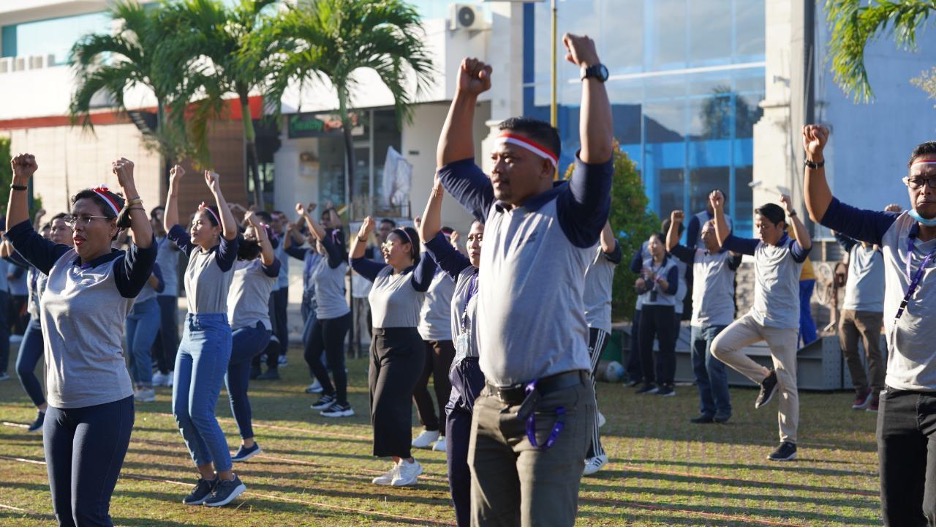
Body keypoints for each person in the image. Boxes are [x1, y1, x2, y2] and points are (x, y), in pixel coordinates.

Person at [437, 33, 613, 525]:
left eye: (510, 158)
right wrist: (466, 95)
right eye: (494, 157)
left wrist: (591, 72)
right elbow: (451, 164)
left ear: (546, 166)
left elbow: (597, 154)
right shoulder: (493, 211)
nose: (497, 166)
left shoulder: (570, 213)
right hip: (490, 404)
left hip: (552, 404)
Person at [7, 153, 155, 525]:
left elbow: (147, 246)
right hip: (58, 408)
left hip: (105, 405)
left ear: (113, 227)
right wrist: (20, 180)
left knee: (87, 514)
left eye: (88, 218)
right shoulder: (60, 260)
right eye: (75, 217)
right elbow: (19, 233)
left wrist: (130, 188)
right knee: (64, 516)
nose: (78, 225)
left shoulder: (120, 271)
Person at [801, 124, 936, 525]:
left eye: (934, 179)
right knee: (898, 514)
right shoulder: (889, 229)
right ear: (907, 185)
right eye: (918, 180)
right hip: (896, 397)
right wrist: (815, 157)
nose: (925, 188)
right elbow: (824, 210)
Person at [164, 164, 245, 507]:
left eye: (201, 223)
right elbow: (170, 226)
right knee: (180, 410)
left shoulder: (223, 255)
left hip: (214, 332)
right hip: (190, 332)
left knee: (200, 409)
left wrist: (217, 191)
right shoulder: (194, 251)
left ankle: (229, 479)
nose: (194, 227)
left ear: (214, 231)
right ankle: (208, 478)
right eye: (194, 223)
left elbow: (232, 230)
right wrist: (174, 185)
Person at [710, 190, 811, 462]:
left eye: (765, 226)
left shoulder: (791, 249)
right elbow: (727, 240)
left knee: (789, 384)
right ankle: (765, 377)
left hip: (783, 326)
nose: (761, 230)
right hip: (756, 318)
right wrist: (718, 208)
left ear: (781, 227)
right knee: (719, 346)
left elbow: (807, 244)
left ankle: (788, 442)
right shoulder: (758, 247)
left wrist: (791, 211)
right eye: (758, 226)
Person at [417, 175, 485, 526]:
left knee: (491, 480)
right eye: (471, 238)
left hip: (493, 383)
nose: (473, 243)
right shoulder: (463, 272)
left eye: (481, 237)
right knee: (457, 477)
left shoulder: (506, 275)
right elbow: (430, 237)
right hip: (461, 381)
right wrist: (436, 194)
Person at [350, 217, 435, 487]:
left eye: (392, 243)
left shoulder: (416, 276)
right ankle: (399, 463)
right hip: (378, 345)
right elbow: (356, 261)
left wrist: (426, 235)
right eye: (385, 243)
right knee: (378, 407)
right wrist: (363, 236)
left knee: (389, 404)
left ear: (407, 247)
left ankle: (409, 463)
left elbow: (428, 262)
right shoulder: (384, 273)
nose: (385, 247)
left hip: (404, 347)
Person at [667, 211, 742, 424]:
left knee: (713, 367)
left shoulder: (728, 256)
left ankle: (723, 409)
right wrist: (674, 223)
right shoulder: (698, 254)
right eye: (702, 233)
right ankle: (707, 410)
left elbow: (734, 246)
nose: (703, 236)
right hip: (697, 322)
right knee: (699, 369)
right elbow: (671, 246)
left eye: (708, 233)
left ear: (719, 234)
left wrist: (718, 212)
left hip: (719, 321)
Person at [226, 211, 279, 462]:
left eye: (254, 235)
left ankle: (197, 413)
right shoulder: (236, 262)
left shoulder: (264, 265)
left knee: (215, 355)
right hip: (233, 330)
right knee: (236, 392)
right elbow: (230, 233)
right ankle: (249, 443)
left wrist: (258, 226)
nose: (249, 237)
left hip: (255, 330)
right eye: (247, 234)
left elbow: (268, 254)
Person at [13, 213, 73, 432]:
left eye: (61, 229)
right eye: (53, 229)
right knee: (23, 368)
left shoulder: (75, 260)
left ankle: (59, 421)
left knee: (56, 375)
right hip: (37, 321)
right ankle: (43, 409)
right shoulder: (41, 255)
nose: (55, 233)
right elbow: (11, 249)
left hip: (58, 325)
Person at [297, 202, 353, 418]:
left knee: (335, 362)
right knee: (311, 354)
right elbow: (319, 237)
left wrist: (307, 215)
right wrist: (309, 221)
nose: (318, 242)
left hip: (336, 317)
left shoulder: (335, 261)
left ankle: (343, 403)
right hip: (323, 316)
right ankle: (329, 392)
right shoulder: (321, 260)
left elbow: (324, 238)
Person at [412, 219, 457, 452]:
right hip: (423, 333)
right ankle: (429, 426)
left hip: (446, 336)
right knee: (415, 382)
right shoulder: (428, 268)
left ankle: (445, 432)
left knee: (443, 387)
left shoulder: (452, 268)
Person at [832, 226, 886, 412]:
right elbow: (835, 230)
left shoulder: (882, 252)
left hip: (871, 311)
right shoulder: (853, 248)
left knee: (872, 353)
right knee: (849, 351)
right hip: (848, 310)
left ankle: (878, 394)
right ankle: (861, 391)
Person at [582, 221, 621, 476]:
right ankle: (593, 416)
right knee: (578, 382)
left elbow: (609, 245)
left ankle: (596, 453)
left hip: (596, 323)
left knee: (584, 376)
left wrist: (599, 212)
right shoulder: (574, 247)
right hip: (571, 324)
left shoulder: (605, 248)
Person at [634, 232, 680, 396]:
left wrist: (657, 279)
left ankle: (667, 383)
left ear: (663, 246)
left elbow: (672, 290)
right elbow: (643, 289)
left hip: (665, 309)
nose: (651, 247)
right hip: (647, 307)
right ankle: (649, 381)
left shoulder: (671, 265)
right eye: (650, 244)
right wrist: (640, 285)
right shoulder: (646, 263)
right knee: (643, 344)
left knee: (666, 346)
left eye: (655, 243)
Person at [125, 256, 164, 403]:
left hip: (149, 309)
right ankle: (139, 387)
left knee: (140, 348)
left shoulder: (153, 264)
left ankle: (148, 388)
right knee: (131, 352)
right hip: (131, 312)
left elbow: (160, 287)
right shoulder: (126, 263)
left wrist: (149, 274)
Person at [150, 205, 180, 388]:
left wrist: (164, 219)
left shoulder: (170, 240)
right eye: (154, 217)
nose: (156, 220)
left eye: (159, 217)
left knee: (167, 330)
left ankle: (173, 369)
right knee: (154, 331)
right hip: (150, 293)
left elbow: (177, 244)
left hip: (167, 291)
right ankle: (161, 369)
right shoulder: (150, 240)